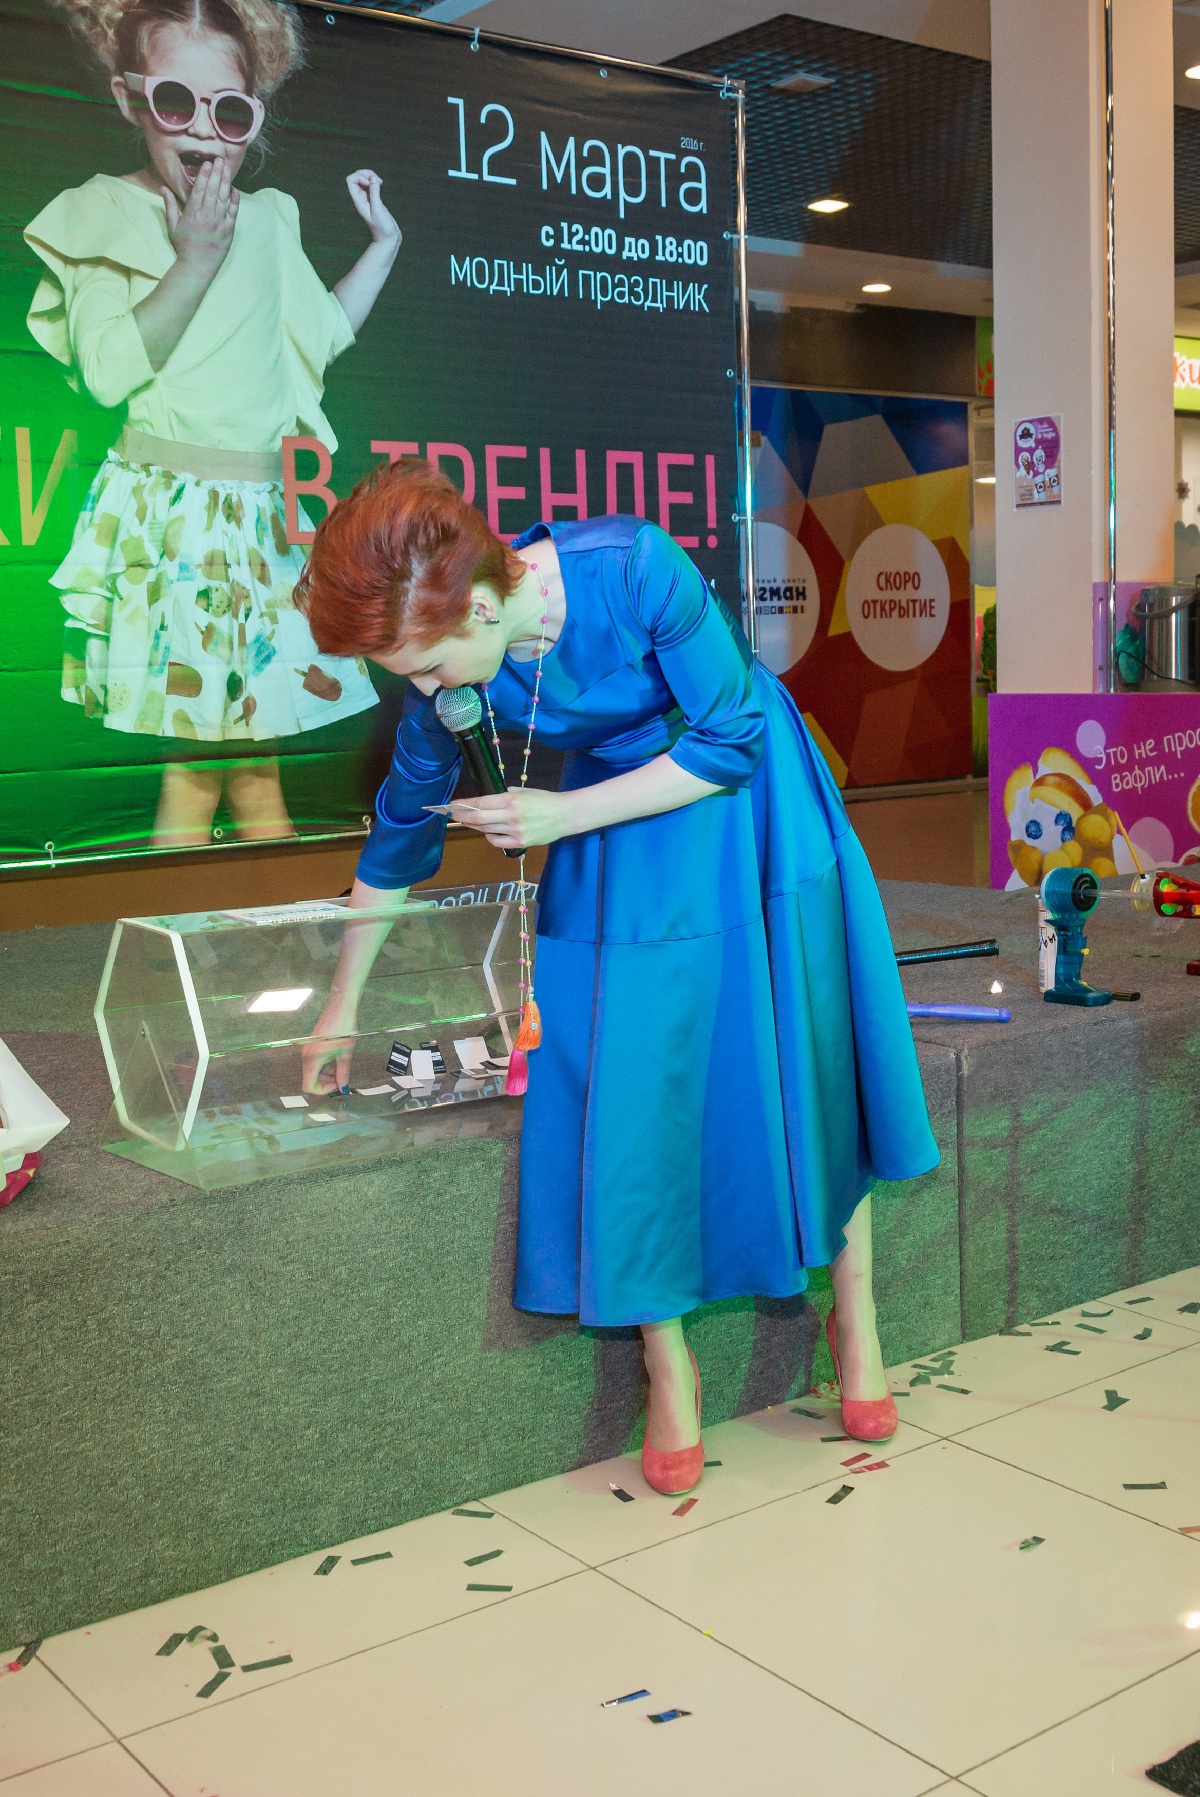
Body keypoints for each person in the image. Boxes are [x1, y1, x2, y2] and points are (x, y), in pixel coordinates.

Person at [298, 462, 939, 1497]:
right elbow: (399, 835)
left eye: (429, 664)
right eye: (406, 674)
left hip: (745, 802)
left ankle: (856, 1312)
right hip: (624, 834)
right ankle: (665, 1359)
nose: (424, 690)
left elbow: (731, 736)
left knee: (807, 1051)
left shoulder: (634, 565)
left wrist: (559, 816)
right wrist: (340, 1006)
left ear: (485, 603)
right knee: (632, 1088)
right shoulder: (450, 676)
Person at [24, 0, 400, 846]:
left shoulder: (268, 219)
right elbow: (106, 375)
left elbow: (316, 340)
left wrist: (382, 246)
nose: (201, 128)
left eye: (228, 111)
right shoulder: (99, 211)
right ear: (129, 99)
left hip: (263, 525)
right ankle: (188, 927)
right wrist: (194, 257)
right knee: (194, 775)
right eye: (174, 101)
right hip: (172, 523)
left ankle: (275, 929)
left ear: (251, 118)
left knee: (257, 775)